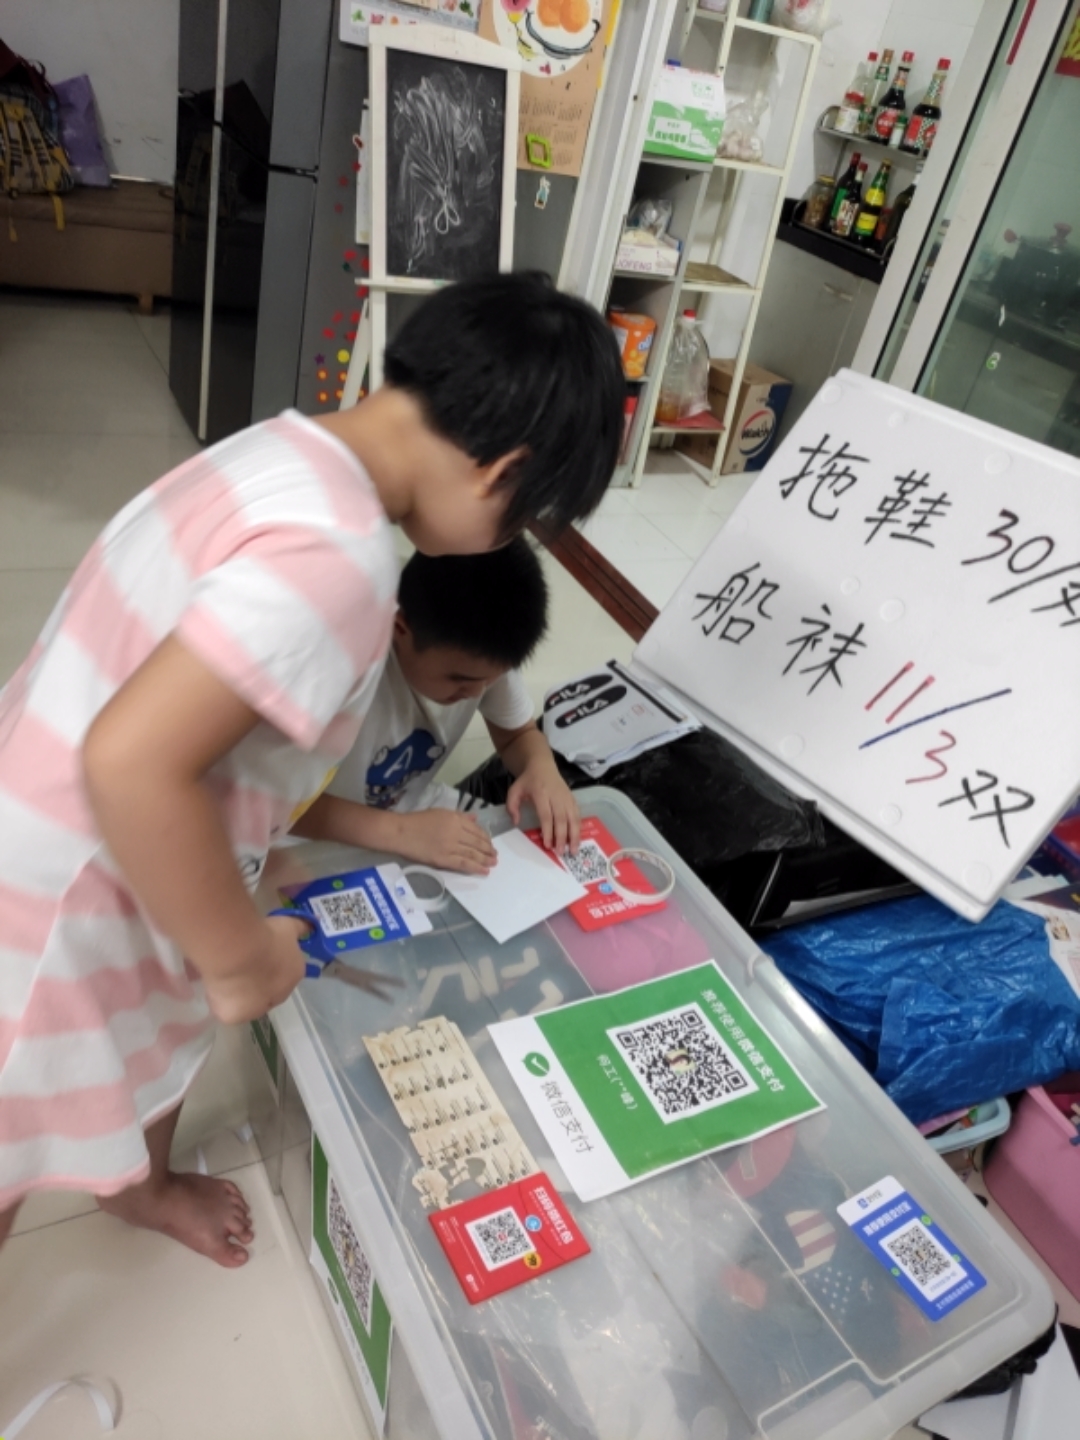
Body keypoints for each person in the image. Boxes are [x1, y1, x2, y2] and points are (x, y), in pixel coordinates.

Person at [0, 272, 624, 1265]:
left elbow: (206, 718)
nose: (505, 542)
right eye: (522, 518)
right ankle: (126, 1176)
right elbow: (131, 763)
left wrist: (252, 850)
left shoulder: (286, 449)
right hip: (64, 887)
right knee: (16, 1129)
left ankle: (141, 1184)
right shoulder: (338, 562)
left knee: (160, 1034)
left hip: (70, 804)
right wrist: (240, 960)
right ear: (504, 470)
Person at [293, 540, 578, 873]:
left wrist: (541, 766)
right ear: (400, 628)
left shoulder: (483, 656)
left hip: (415, 814)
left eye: (489, 680)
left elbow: (517, 735)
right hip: (306, 832)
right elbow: (272, 803)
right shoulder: (344, 667)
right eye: (460, 679)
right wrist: (399, 833)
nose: (475, 692)